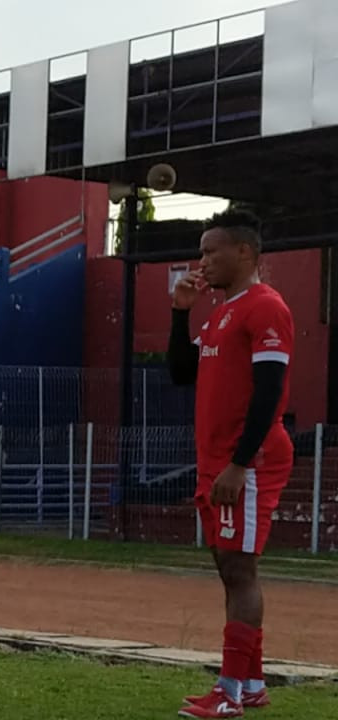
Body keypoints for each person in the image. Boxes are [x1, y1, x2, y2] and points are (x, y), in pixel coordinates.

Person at [169, 210, 293, 719]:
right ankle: (252, 682)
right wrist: (180, 312)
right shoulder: (221, 313)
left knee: (240, 569)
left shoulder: (265, 307)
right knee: (229, 565)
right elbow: (180, 373)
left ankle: (229, 691)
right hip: (217, 459)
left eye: (209, 251)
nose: (202, 262)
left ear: (244, 252)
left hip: (248, 460)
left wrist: (241, 463)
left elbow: (270, 394)